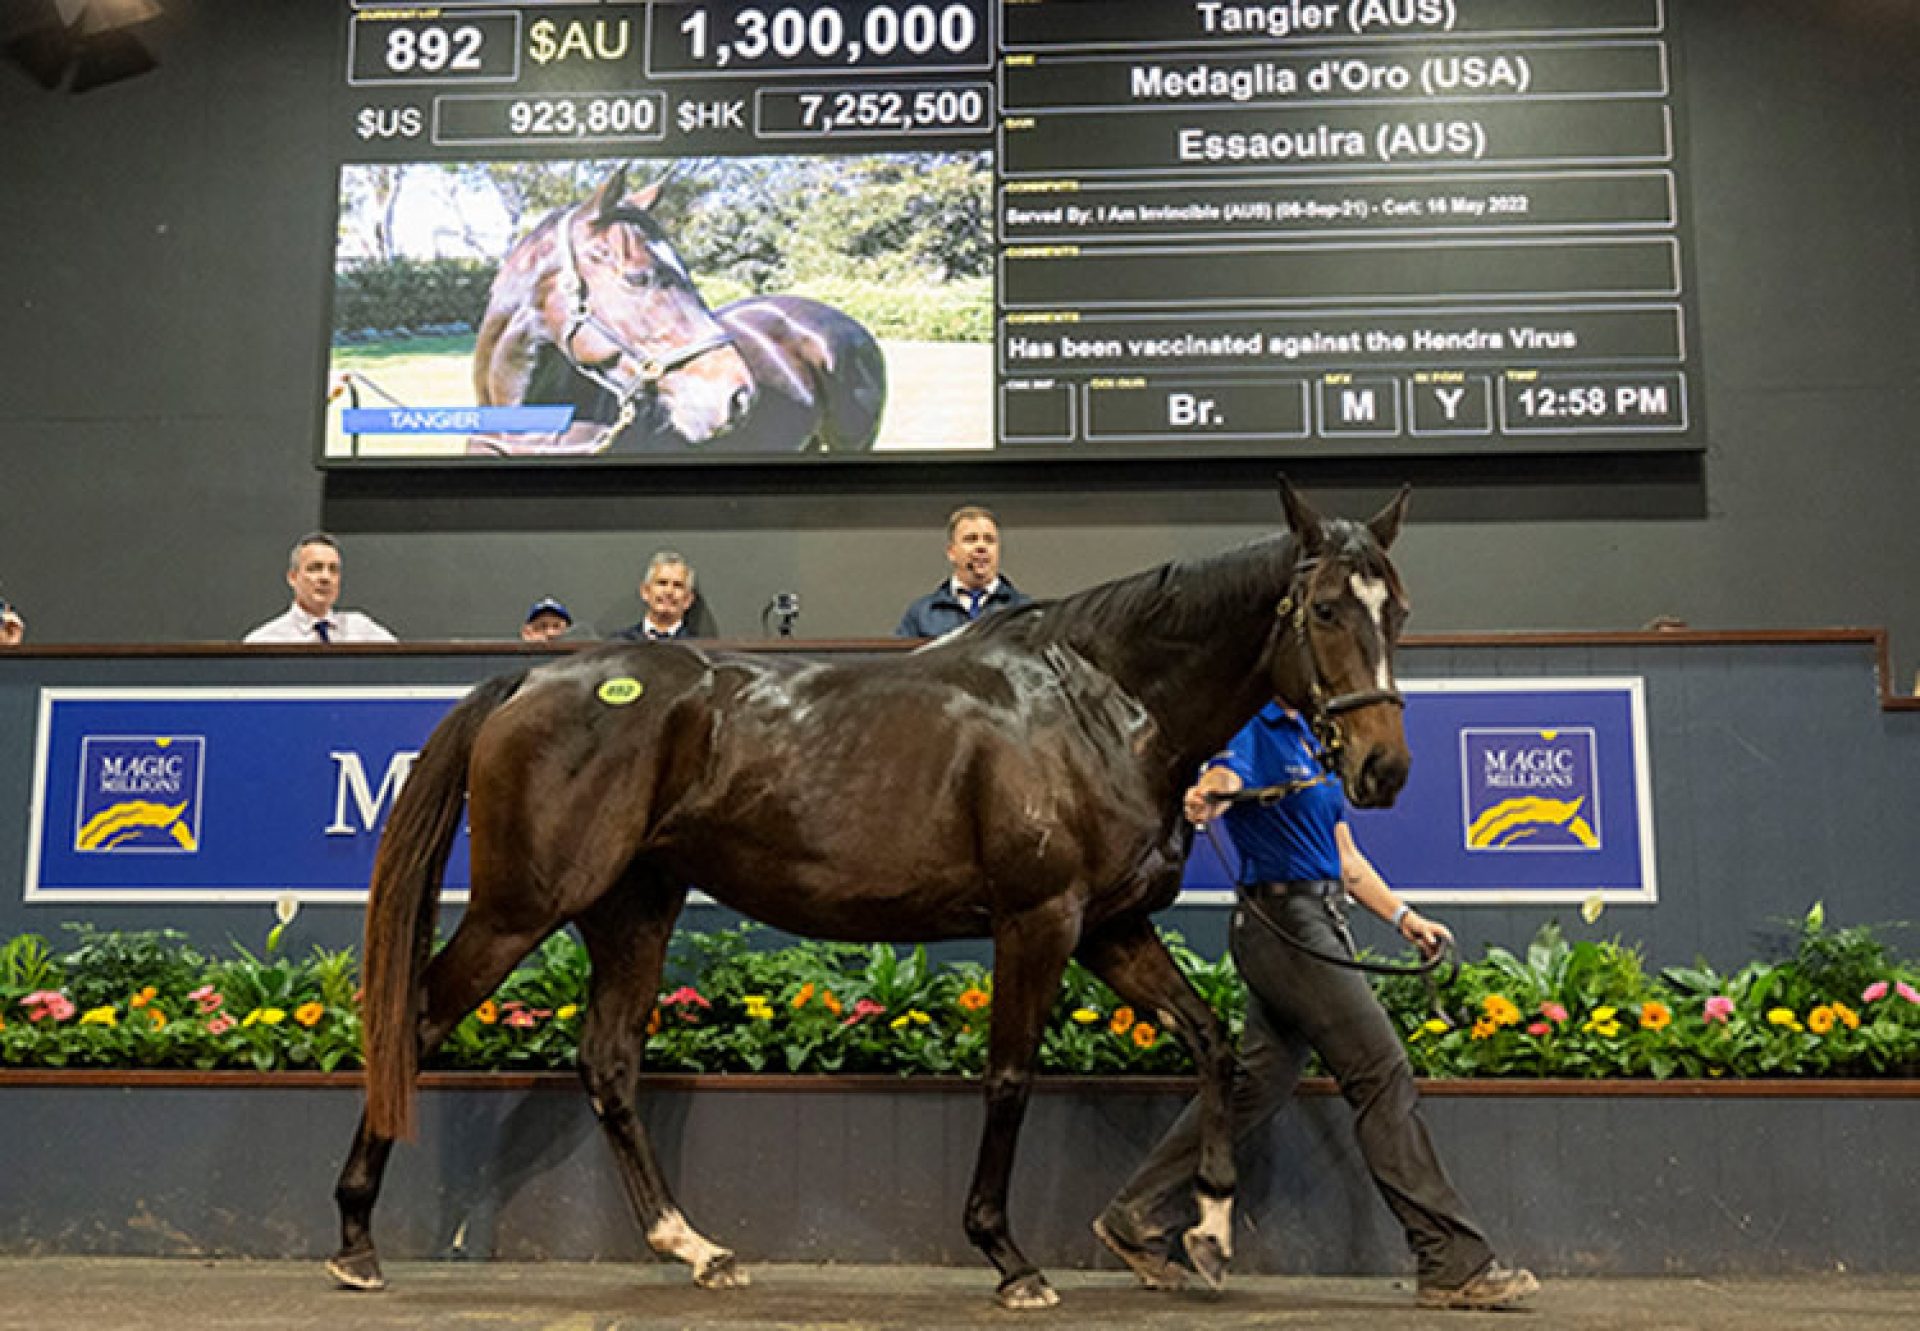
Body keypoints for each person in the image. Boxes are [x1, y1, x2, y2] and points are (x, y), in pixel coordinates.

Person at [1094, 701, 1539, 1312]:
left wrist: (1404, 917)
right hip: (1284, 926)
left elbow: (1347, 859)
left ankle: (1136, 1215)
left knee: (1256, 1086)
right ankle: (1450, 1260)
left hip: (1318, 920)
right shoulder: (1251, 725)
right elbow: (1223, 778)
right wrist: (1208, 794)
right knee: (1380, 1074)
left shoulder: (1312, 736)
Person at [894, 505, 1031, 637]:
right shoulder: (922, 614)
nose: (981, 546)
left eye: (989, 540)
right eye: (971, 539)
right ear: (951, 552)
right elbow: (898, 659)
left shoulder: (1025, 611)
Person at [243, 533, 396, 644]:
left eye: (333, 569)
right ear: (292, 578)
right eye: (315, 568)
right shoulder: (265, 641)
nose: (325, 578)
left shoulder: (362, 630)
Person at [614, 551, 700, 641]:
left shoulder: (701, 650)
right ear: (645, 591)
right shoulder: (619, 644)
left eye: (677, 585)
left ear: (688, 599)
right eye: (662, 583)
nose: (669, 591)